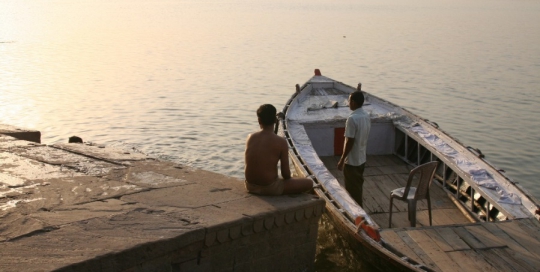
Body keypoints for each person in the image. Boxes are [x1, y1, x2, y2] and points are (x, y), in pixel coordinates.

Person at [244, 104, 313, 195]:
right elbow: (286, 175)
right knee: (309, 183)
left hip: (250, 186)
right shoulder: (281, 142)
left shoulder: (250, 137)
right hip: (270, 188)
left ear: (259, 120)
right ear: (275, 120)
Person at [337, 91, 371, 207]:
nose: (348, 103)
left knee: (352, 191)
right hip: (361, 158)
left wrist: (342, 160)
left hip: (352, 161)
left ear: (354, 102)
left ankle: (358, 215)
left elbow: (350, 141)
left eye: (349, 100)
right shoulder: (366, 116)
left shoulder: (352, 119)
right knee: (358, 186)